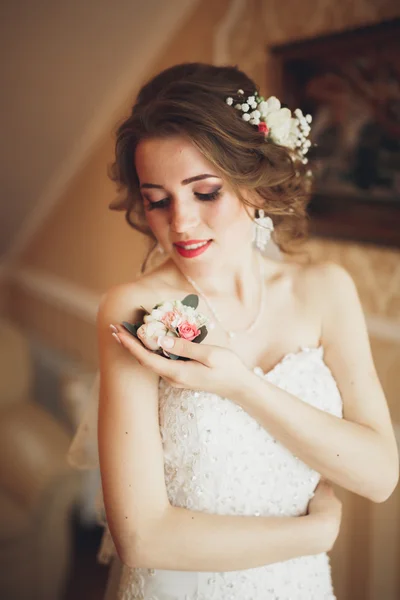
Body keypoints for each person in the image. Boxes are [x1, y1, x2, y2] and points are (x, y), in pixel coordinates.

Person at [68, 63, 398, 600]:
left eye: (205, 192)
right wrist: (308, 534)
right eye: (158, 199)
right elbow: (142, 537)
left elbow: (379, 475)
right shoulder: (134, 310)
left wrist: (240, 384)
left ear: (257, 185)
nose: (180, 223)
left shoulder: (326, 292)